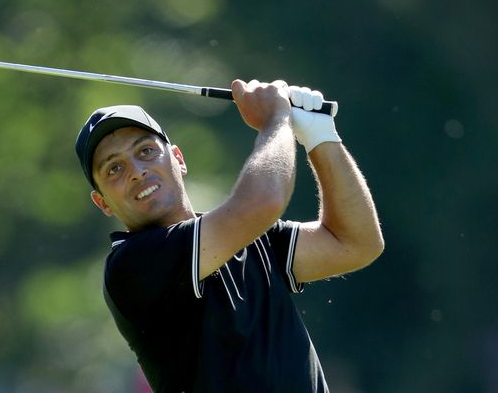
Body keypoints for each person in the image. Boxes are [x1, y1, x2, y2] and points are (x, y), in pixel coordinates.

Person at [74, 79, 384, 392]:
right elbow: (265, 201)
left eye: (146, 151)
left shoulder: (246, 234)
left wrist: (320, 136)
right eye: (114, 169)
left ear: (178, 159)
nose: (137, 171)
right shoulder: (132, 265)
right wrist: (276, 120)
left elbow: (356, 243)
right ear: (102, 203)